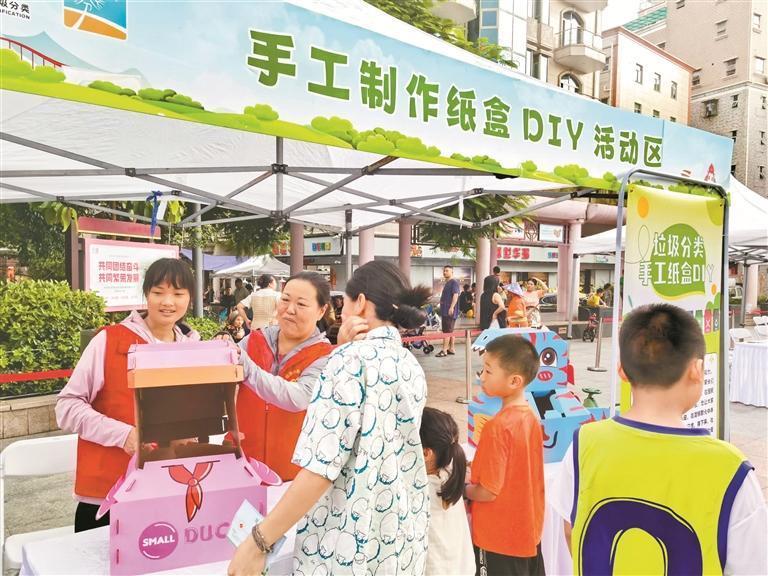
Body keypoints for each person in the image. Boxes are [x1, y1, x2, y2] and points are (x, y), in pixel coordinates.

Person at [228, 261, 432, 576]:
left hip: (345, 540)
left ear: (360, 303)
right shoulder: (409, 364)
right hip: (398, 535)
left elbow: (320, 469)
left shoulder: (345, 361)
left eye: (344, 302)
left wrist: (259, 541)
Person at [553, 304, 767, 575]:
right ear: (697, 369)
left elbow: (571, 530)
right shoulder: (732, 469)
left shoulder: (584, 443)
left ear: (622, 371)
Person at [56, 258, 201, 532]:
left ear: (190, 298)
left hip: (170, 489)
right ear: (146, 294)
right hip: (107, 495)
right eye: (158, 292)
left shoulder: (193, 348)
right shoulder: (108, 340)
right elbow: (67, 407)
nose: (167, 302)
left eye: (178, 294)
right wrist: (124, 435)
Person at [234, 272, 334, 481]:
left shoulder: (325, 356)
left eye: (301, 304)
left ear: (321, 310)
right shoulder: (254, 340)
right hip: (243, 469)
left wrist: (247, 367)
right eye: (285, 300)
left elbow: (298, 398)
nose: (289, 309)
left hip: (294, 478)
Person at [465, 335, 545, 575]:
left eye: (489, 371)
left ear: (514, 381)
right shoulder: (530, 418)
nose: (482, 377)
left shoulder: (497, 427)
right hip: (527, 533)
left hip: (497, 539)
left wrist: (462, 488)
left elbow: (487, 492)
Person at [420, 407, 475, 576]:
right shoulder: (451, 468)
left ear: (426, 453)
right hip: (462, 567)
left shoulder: (419, 487)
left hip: (437, 570)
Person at [437, 265, 460, 357]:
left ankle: (444, 350)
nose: (444, 272)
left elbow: (456, 295)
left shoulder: (453, 282)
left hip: (449, 312)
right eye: (444, 271)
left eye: (447, 271)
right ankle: (451, 349)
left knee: (447, 331)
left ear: (452, 272)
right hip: (446, 311)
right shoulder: (448, 283)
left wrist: (451, 307)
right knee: (450, 330)